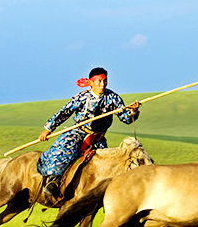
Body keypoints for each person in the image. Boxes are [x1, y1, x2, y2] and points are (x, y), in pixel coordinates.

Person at [36, 67, 140, 198]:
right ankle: (53, 182)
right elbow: (64, 113)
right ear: (91, 82)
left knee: (107, 166)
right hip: (78, 133)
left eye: (105, 81)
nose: (103, 84)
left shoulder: (113, 98)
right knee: (63, 152)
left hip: (98, 138)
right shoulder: (82, 97)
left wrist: (133, 112)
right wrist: (48, 129)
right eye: (99, 81)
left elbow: (125, 118)